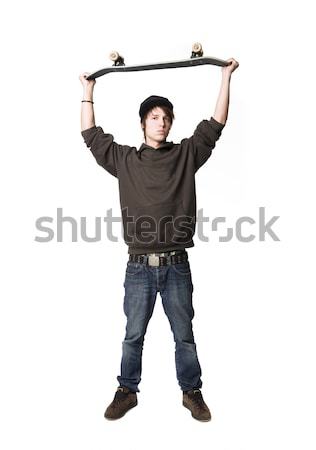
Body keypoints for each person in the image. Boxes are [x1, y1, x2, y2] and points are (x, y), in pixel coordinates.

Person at [79, 57, 239, 422]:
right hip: (138, 267)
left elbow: (216, 125)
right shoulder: (124, 159)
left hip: (176, 264)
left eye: (165, 117)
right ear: (142, 123)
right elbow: (90, 136)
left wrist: (225, 76)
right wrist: (88, 92)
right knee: (133, 334)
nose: (161, 122)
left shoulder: (186, 155)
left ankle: (191, 392)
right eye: (154, 117)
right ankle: (127, 390)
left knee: (184, 334)